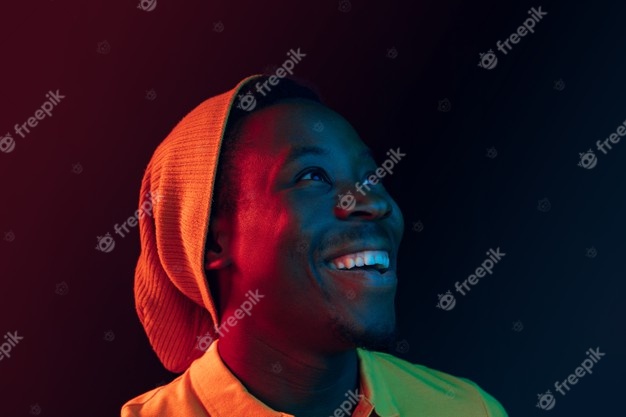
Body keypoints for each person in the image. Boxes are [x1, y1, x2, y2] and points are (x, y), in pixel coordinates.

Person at [121, 74, 508, 417]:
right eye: (312, 176)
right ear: (214, 243)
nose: (374, 203)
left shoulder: (467, 410)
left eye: (371, 177)